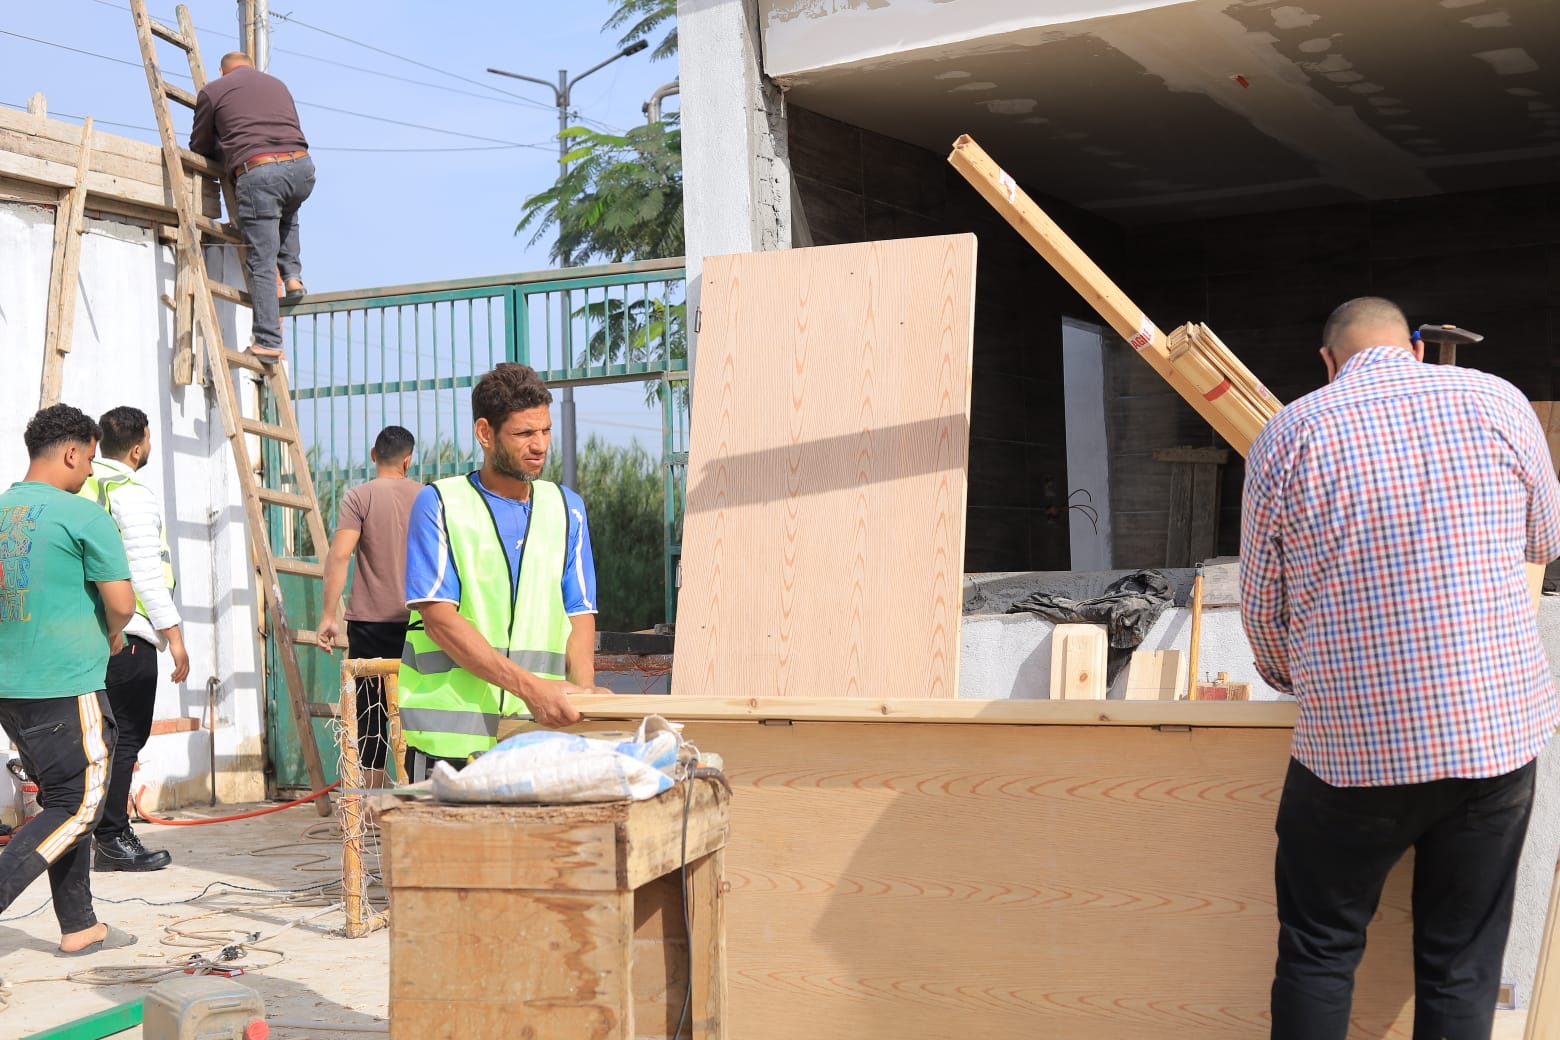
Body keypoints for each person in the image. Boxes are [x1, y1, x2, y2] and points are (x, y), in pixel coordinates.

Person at [1239, 296, 1560, 1039]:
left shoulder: (1289, 431)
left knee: (1319, 950)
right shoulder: (1497, 400)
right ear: (1415, 347)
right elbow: (1545, 538)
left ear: (1329, 361)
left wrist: (1302, 682)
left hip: (1352, 749)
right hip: (1490, 736)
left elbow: (1261, 606)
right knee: (1461, 963)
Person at [399, 364, 599, 779]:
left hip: (536, 738)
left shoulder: (567, 509)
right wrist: (532, 689)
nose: (539, 445)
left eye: (545, 431)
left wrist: (584, 694)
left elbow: (579, 614)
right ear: (485, 433)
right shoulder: (440, 504)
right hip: (451, 748)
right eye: (524, 433)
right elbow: (439, 621)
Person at [0, 405, 138, 955]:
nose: (90, 471)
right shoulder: (83, 516)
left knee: (62, 798)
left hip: (11, 689)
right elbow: (122, 605)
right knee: (80, 805)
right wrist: (111, 633)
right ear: (73, 452)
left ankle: (79, 924)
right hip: (64, 683)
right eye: (89, 459)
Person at [77, 407, 189, 872]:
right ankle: (112, 838)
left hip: (87, 633)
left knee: (95, 740)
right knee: (124, 738)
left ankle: (88, 834)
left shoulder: (84, 486)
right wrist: (175, 637)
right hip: (129, 634)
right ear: (139, 446)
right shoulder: (130, 491)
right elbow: (144, 572)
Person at [190, 51, 314, 364]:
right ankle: (293, 276)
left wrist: (225, 149)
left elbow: (199, 146)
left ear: (222, 71)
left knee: (260, 260)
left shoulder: (213, 91)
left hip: (259, 172)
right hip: (302, 168)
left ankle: (268, 342)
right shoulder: (278, 84)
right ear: (252, 67)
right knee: (286, 212)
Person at [317, 425, 422, 790]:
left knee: (370, 714)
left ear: (374, 455)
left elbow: (340, 555)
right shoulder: (426, 497)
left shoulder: (358, 497)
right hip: (420, 621)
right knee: (417, 707)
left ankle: (372, 801)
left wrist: (328, 616)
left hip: (369, 623)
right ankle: (417, 790)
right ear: (408, 461)